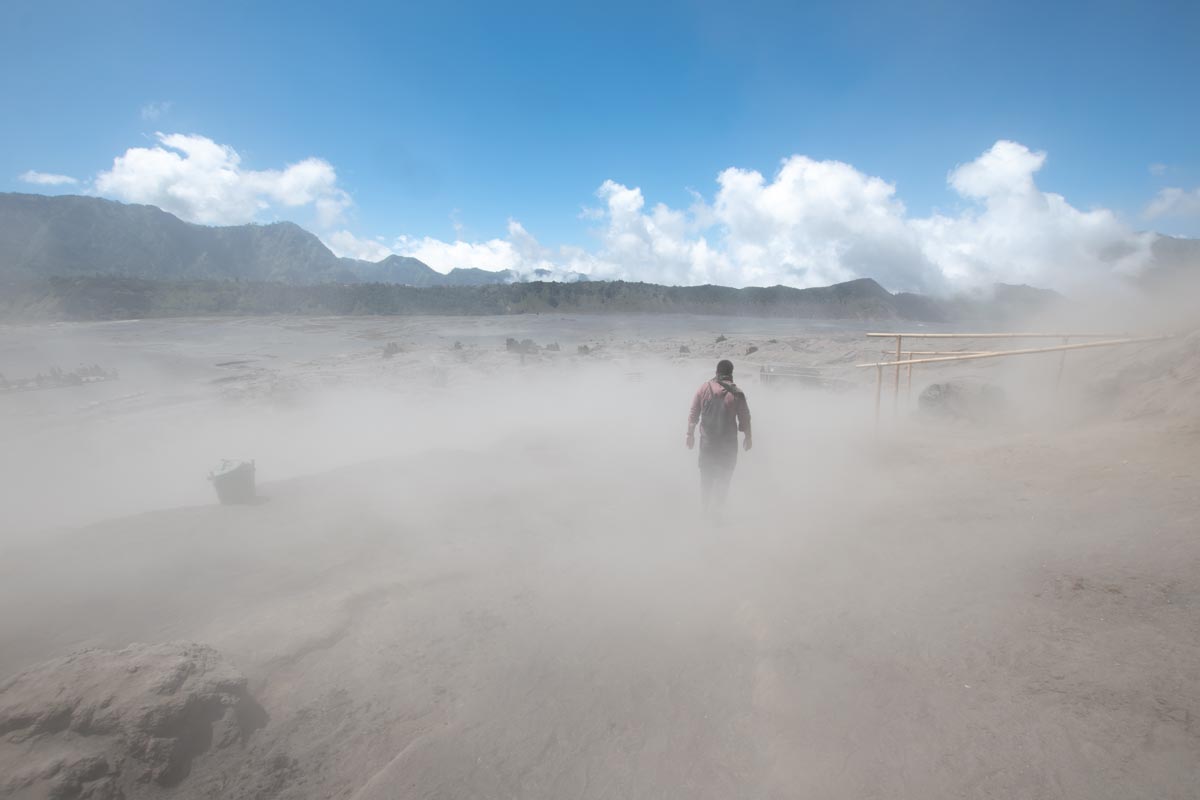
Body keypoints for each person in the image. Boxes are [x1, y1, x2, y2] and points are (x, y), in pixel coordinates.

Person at [687, 359, 752, 513]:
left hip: (707, 443)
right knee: (724, 479)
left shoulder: (704, 388)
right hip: (728, 445)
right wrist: (748, 437)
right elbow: (745, 418)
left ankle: (704, 510)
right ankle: (717, 513)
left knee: (706, 478)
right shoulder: (737, 393)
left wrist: (689, 435)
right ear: (731, 374)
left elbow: (693, 413)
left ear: (716, 372)